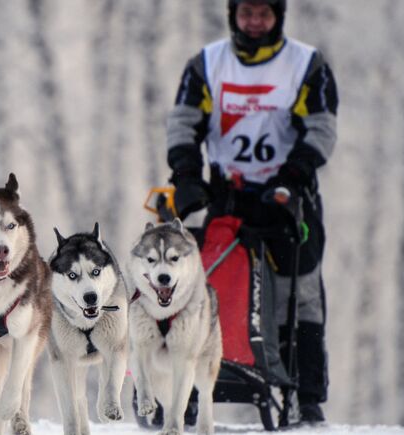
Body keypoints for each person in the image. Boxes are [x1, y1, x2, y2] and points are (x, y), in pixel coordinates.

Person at [165, 0, 338, 424]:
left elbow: (321, 128)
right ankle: (186, 379)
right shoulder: (207, 64)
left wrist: (294, 176)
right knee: (204, 283)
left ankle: (306, 394)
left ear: (278, 16)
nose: (255, 22)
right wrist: (186, 174)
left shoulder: (306, 65)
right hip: (228, 195)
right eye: (247, 14)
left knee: (300, 292)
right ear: (233, 16)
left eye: (264, 14)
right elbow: (184, 122)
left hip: (286, 194)